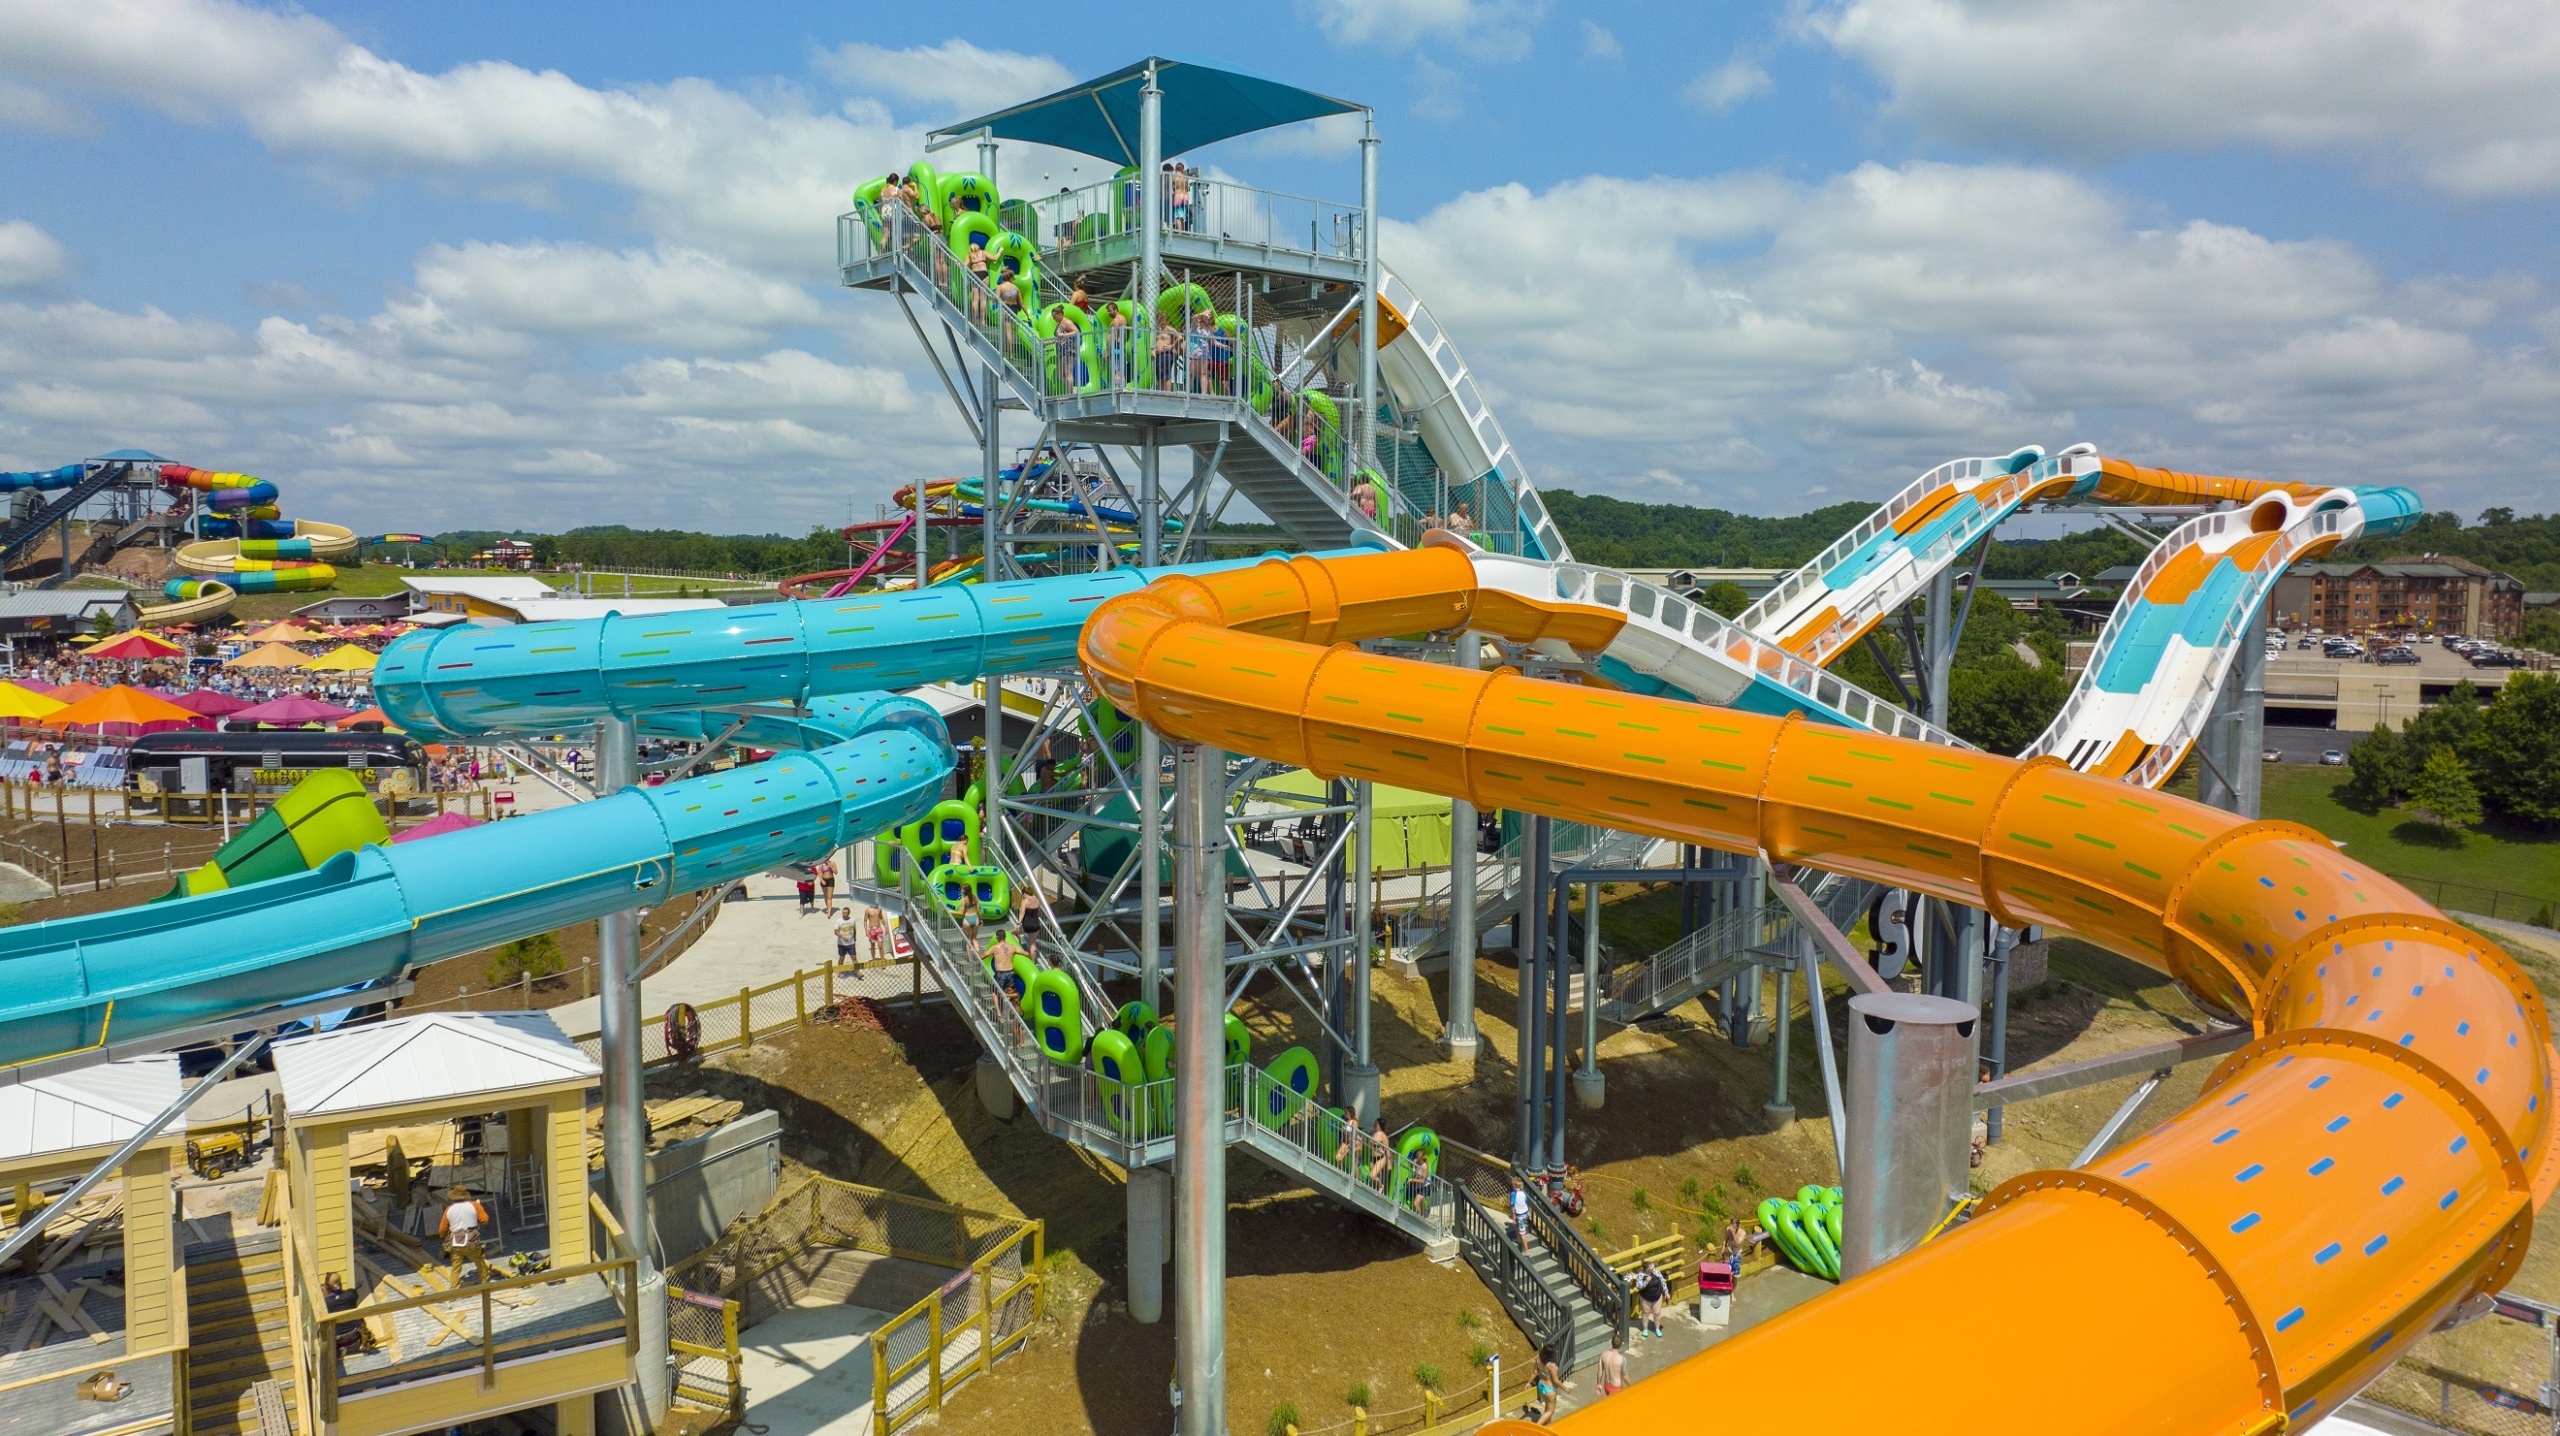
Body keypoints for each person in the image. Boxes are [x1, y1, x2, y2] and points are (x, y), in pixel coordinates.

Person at [437, 1186, 489, 1282]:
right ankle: (484, 1283)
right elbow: (485, 1220)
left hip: (455, 1241)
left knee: (456, 1267)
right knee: (479, 1262)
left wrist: (443, 1237)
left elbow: (442, 1229)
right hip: (471, 1241)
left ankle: (454, 1288)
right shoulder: (474, 1205)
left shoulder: (449, 1209)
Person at [1635, 1259, 1670, 1337]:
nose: (1653, 1268)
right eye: (1651, 1267)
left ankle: (1657, 1328)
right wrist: (1646, 1281)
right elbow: (1638, 1286)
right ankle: (1645, 1329)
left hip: (1657, 1295)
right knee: (1645, 1313)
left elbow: (1662, 1281)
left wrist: (1666, 1293)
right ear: (1647, 1269)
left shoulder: (1656, 1272)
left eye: (1653, 1267)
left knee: (1657, 1313)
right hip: (1645, 1297)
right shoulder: (1641, 1275)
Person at [1510, 1179, 1533, 1252]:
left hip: (1520, 1215)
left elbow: (1513, 1206)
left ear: (1514, 1185)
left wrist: (1513, 1217)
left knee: (1522, 1233)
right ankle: (1518, 1238)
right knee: (1515, 1225)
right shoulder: (1523, 1193)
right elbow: (1527, 1203)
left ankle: (1526, 1250)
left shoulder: (1513, 1194)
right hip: (1525, 1213)